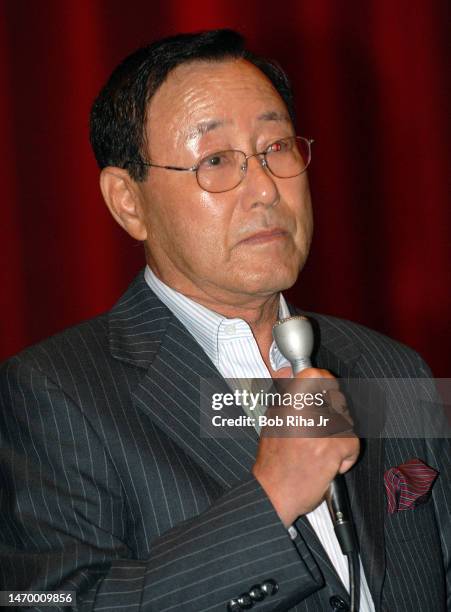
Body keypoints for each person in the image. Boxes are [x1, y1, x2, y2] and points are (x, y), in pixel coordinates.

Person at [0, 29, 449, 612]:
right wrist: (269, 500)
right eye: (215, 160)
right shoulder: (52, 392)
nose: (265, 188)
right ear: (127, 202)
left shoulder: (391, 366)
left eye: (278, 148)